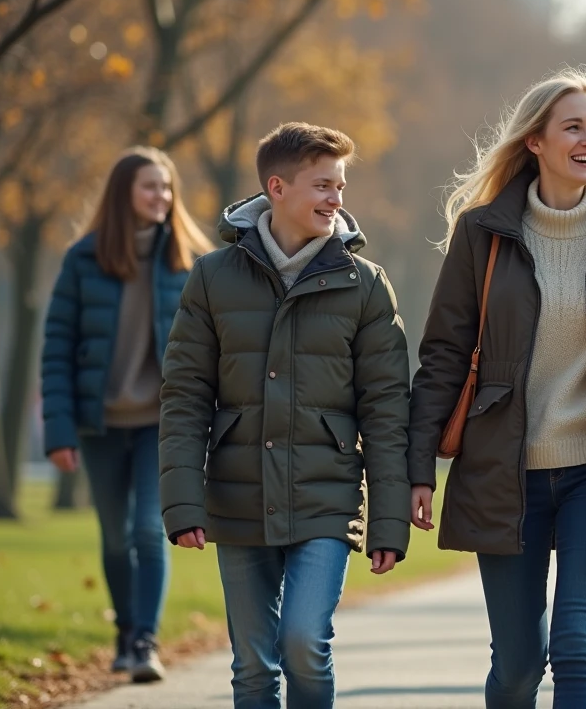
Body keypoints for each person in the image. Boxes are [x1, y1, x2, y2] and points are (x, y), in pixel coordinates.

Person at [407, 68, 586, 709]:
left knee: (576, 646)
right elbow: (444, 356)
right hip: (501, 475)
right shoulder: (482, 236)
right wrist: (419, 465)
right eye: (573, 126)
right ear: (535, 141)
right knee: (515, 667)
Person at [158, 122, 412, 709]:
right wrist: (183, 500)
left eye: (341, 187)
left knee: (302, 642)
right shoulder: (212, 277)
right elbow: (185, 396)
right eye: (323, 186)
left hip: (327, 496)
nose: (336, 200)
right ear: (277, 187)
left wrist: (389, 519)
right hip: (238, 496)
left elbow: (387, 408)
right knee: (251, 664)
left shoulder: (366, 286)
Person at [41, 146, 213, 682]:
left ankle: (144, 642)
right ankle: (124, 635)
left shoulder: (190, 261)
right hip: (100, 424)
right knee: (114, 536)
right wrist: (59, 429)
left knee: (145, 531)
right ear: (124, 193)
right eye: (149, 187)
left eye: (166, 187)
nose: (161, 196)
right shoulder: (83, 259)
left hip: (162, 423)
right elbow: (57, 348)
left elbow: (213, 348)